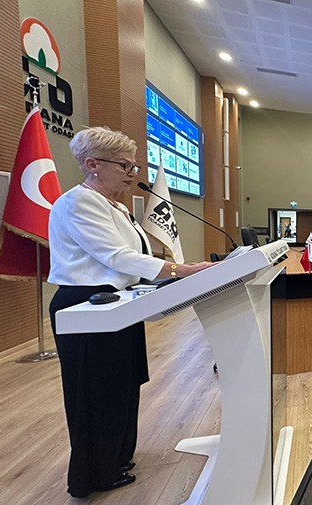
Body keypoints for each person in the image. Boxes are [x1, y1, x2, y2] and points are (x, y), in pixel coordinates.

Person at [48, 127, 212, 498]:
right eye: (124, 165)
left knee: (121, 386)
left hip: (118, 306)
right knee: (95, 391)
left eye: (134, 166)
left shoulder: (116, 206)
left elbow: (131, 258)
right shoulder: (79, 203)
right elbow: (115, 257)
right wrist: (179, 270)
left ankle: (117, 458)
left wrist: (170, 271)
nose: (132, 173)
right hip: (86, 306)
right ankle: (94, 474)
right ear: (92, 164)